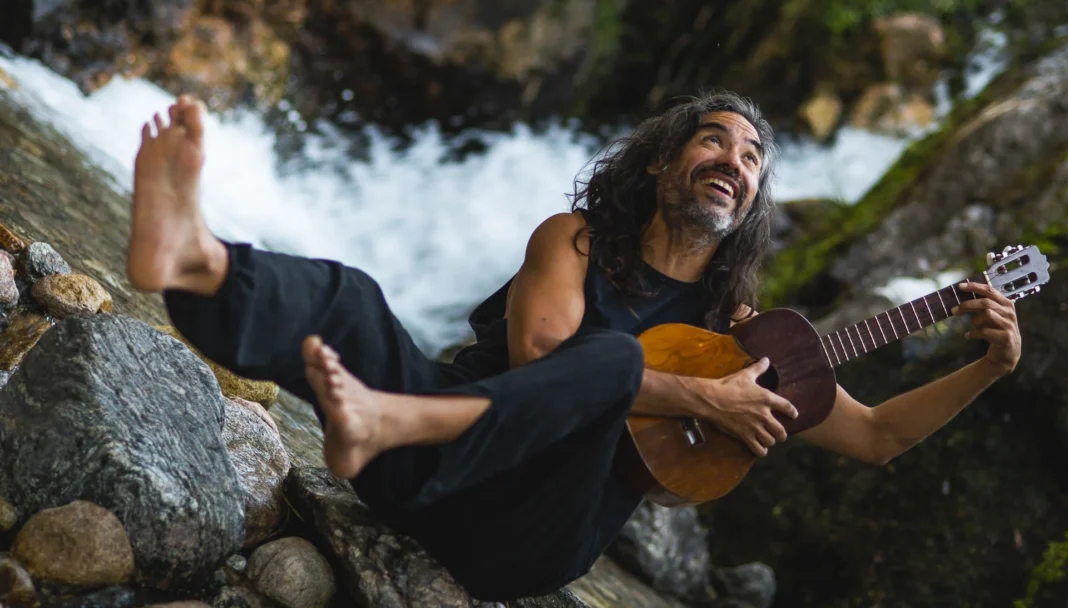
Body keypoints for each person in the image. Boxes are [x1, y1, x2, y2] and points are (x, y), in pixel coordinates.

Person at [125, 91, 1022, 601]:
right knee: (353, 297)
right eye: (714, 139)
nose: (734, 158)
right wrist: (705, 400)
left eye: (752, 158)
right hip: (430, 465)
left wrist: (987, 366)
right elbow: (540, 360)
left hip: (525, 536)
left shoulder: (732, 338)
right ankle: (196, 263)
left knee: (618, 364)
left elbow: (875, 439)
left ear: (749, 204)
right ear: (661, 165)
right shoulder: (575, 240)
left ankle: (387, 415)